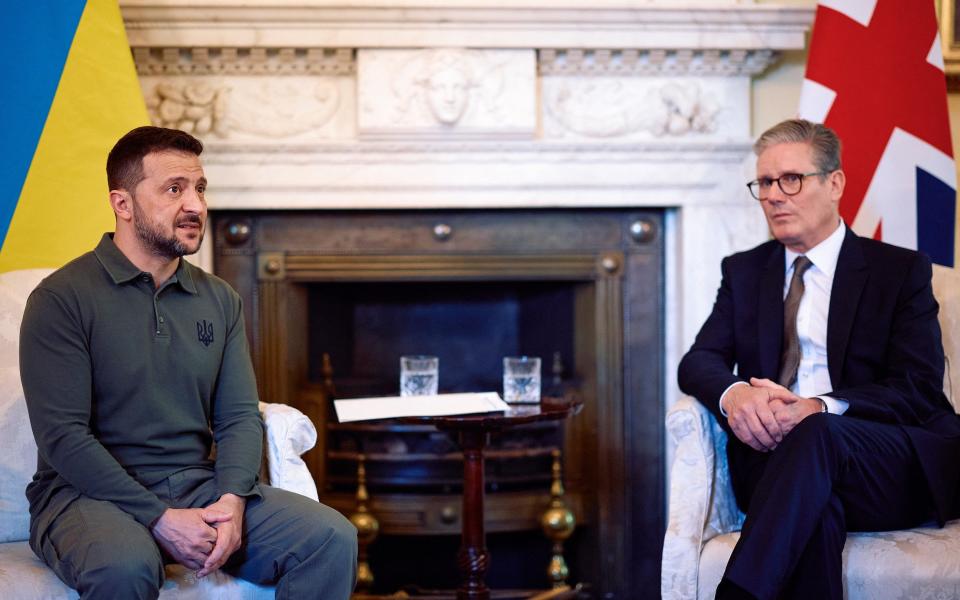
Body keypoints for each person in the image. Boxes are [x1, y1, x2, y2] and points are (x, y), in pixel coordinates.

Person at [19, 126, 358, 600]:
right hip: (84, 495)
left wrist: (233, 500)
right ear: (123, 204)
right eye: (174, 189)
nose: (196, 205)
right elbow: (63, 438)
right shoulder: (61, 299)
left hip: (196, 485)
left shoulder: (220, 299)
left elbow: (239, 416)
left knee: (330, 538)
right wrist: (159, 517)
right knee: (125, 568)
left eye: (199, 188)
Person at [678, 119, 960, 600]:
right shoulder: (745, 272)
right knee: (815, 508)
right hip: (782, 469)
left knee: (815, 435)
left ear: (835, 183)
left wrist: (820, 408)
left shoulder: (899, 270)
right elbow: (698, 360)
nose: (773, 195)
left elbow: (918, 387)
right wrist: (737, 393)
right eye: (764, 182)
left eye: (791, 179)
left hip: (884, 463)